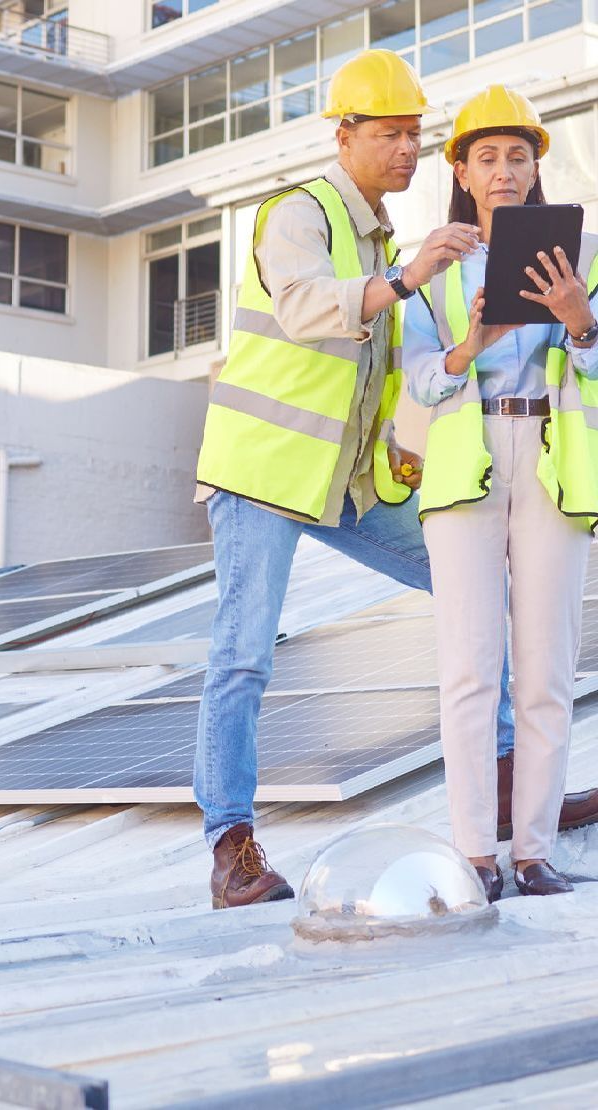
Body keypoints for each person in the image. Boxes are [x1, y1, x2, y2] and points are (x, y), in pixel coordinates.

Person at [192, 50, 598, 910]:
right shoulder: (299, 216)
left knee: (476, 603)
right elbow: (310, 310)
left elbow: (392, 381)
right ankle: (231, 845)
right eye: (389, 134)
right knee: (243, 656)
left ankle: (510, 795)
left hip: (349, 481)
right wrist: (415, 283)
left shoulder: (390, 237)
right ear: (345, 136)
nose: (406, 150)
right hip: (266, 470)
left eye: (414, 134)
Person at [404, 86, 598, 900]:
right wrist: (468, 345)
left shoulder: (581, 259)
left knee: (548, 672)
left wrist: (580, 323)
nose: (505, 171)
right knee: (470, 669)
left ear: (536, 167)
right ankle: (477, 853)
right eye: (487, 157)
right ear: (461, 170)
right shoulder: (434, 264)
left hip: (551, 461)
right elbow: (412, 381)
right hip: (464, 461)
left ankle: (533, 852)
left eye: (519, 156)